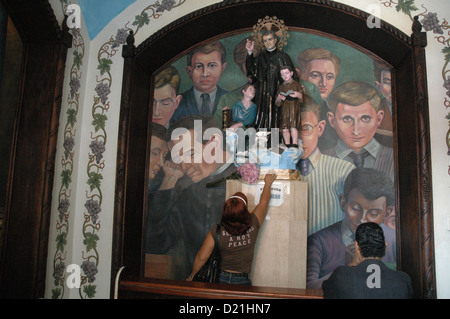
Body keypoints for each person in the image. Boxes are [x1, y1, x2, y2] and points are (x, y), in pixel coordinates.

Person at [145, 115, 237, 280]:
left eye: (191, 153)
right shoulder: (184, 190)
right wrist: (169, 181)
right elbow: (157, 244)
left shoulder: (248, 178)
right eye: (179, 158)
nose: (184, 166)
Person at [306, 167, 396, 289]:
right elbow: (308, 290)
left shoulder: (394, 241)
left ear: (387, 211)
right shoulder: (319, 242)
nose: (362, 219)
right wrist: (348, 268)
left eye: (373, 213)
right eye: (355, 208)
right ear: (343, 202)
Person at [187, 173, 277, 285]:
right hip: (242, 281)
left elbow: (201, 257)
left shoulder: (217, 231)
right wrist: (268, 183)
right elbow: (264, 202)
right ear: (244, 210)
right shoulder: (254, 223)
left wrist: (192, 276)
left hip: (220, 279)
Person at [296, 95, 355, 235]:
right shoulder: (276, 169)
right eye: (291, 130)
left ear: (321, 128)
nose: (298, 138)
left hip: (330, 254)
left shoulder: (344, 171)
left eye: (306, 128)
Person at [323, 81, 394, 182]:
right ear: (332, 120)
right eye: (347, 119)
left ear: (379, 119)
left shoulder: (395, 159)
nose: (356, 131)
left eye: (365, 118)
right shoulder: (321, 160)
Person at [322, 222, 413, 299]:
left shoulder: (341, 276)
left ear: (357, 247)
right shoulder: (403, 280)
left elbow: (327, 292)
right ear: (385, 245)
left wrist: (353, 263)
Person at [246, 30, 298, 130]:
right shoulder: (260, 56)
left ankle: (276, 140)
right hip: (262, 93)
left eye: (270, 39)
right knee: (262, 117)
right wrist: (249, 52)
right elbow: (251, 72)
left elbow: (293, 76)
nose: (268, 42)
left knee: (278, 116)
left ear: (275, 40)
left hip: (278, 91)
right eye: (265, 40)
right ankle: (262, 139)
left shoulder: (283, 57)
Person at [170, 40, 228, 125]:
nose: (205, 74)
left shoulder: (231, 99)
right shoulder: (178, 103)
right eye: (198, 66)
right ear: (189, 71)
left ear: (222, 68)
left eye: (212, 65)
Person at [296, 48, 341, 150]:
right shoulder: (291, 105)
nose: (323, 83)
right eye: (315, 75)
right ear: (299, 74)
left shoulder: (332, 112)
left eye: (330, 77)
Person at [275, 65, 305, 147]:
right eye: (282, 74)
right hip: (285, 109)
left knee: (293, 126)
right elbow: (277, 103)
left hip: (293, 108)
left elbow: (302, 97)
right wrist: (279, 98)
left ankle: (294, 143)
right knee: (285, 128)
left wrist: (297, 94)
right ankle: (287, 143)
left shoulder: (297, 84)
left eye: (286, 73)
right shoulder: (281, 87)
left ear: (291, 73)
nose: (285, 76)